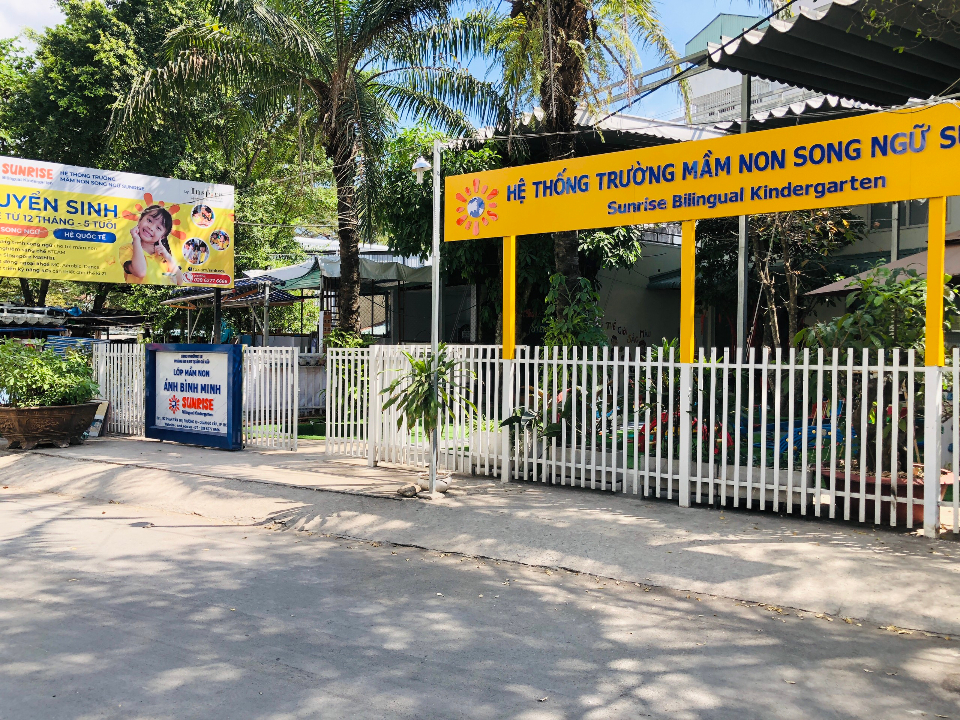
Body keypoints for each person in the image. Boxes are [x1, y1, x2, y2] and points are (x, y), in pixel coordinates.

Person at [122, 205, 184, 286]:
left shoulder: (163, 257)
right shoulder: (127, 249)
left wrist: (167, 256)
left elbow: (180, 281)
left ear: (163, 236)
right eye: (149, 220)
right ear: (140, 220)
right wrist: (136, 239)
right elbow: (140, 272)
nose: (151, 228)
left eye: (158, 228)